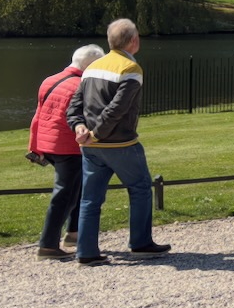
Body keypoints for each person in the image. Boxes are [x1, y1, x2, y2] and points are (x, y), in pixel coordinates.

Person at [66, 17, 171, 266]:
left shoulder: (92, 67)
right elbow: (118, 109)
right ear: (134, 41)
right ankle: (140, 243)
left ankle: (86, 251)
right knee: (141, 188)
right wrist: (97, 133)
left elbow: (74, 106)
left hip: (91, 147)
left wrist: (80, 127)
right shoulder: (130, 69)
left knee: (90, 199)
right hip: (120, 144)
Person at [28, 43, 103, 259]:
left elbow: (38, 115)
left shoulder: (49, 80)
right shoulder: (82, 85)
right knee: (65, 194)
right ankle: (48, 245)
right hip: (67, 146)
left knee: (77, 188)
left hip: (47, 144)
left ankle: (74, 233)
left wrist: (33, 145)